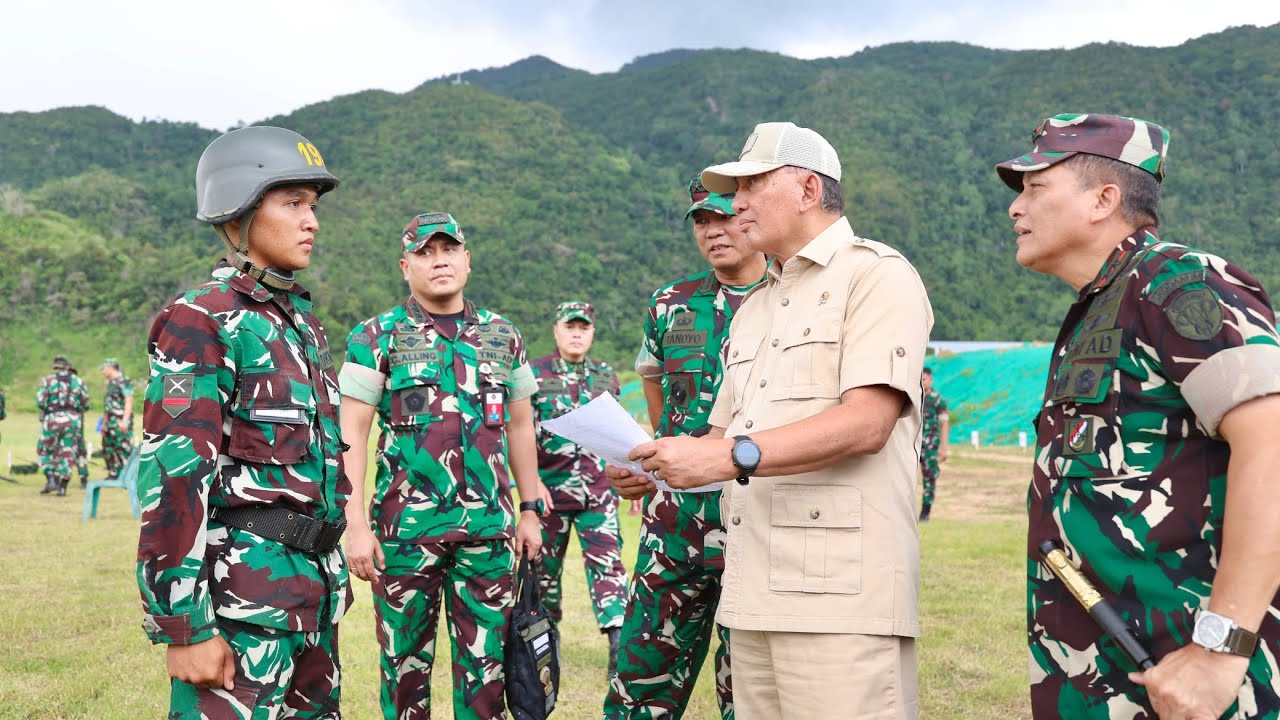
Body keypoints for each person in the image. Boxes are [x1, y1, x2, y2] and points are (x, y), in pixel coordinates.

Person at [609, 122, 932, 719]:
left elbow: (867, 424)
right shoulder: (757, 307)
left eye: (752, 186)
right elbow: (719, 437)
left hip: (838, 595)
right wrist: (658, 466)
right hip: (752, 586)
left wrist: (727, 456)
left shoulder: (876, 276)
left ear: (809, 190)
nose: (736, 206)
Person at [995, 113, 1280, 718]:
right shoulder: (1105, 304)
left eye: (1035, 188)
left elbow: (1274, 443)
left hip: (1193, 677)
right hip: (1114, 673)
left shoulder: (1179, 285)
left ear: (1104, 199)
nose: (1016, 209)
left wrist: (1219, 651)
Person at [135, 126, 351, 718]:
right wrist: (184, 626)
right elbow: (174, 479)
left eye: (313, 205)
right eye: (292, 203)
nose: (312, 221)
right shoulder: (200, 321)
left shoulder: (301, 328)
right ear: (239, 214)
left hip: (311, 607)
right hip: (240, 612)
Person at [338, 211, 547, 720]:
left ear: (467, 260)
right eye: (425, 253)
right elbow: (352, 437)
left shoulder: (503, 336)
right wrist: (355, 526)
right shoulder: (375, 337)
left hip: (489, 534)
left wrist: (530, 509)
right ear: (404, 265)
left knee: (488, 673)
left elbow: (521, 429)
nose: (439, 262)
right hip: (405, 535)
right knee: (403, 669)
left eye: (448, 250)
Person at [603, 175, 767, 719]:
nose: (713, 231)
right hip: (674, 526)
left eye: (723, 217)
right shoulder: (672, 304)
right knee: (639, 682)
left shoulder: (789, 299)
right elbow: (658, 394)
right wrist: (652, 465)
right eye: (701, 220)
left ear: (752, 214)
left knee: (747, 689)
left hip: (759, 517)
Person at [529, 300, 628, 675]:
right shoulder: (534, 375)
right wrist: (531, 482)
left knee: (608, 565)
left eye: (582, 327)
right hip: (549, 492)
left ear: (592, 332)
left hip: (598, 491)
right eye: (569, 326)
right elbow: (518, 433)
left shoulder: (606, 376)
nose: (575, 333)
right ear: (556, 330)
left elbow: (617, 434)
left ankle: (618, 646)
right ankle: (545, 643)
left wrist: (629, 476)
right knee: (543, 571)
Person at [35, 354, 89, 496]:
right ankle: (62, 487)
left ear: (55, 367)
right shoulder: (78, 381)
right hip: (73, 420)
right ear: (67, 366)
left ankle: (51, 478)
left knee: (45, 450)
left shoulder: (47, 380)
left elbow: (40, 402)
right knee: (67, 451)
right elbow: (85, 403)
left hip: (52, 419)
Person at [917, 367, 949, 522]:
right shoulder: (914, 398)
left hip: (930, 446)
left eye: (924, 379)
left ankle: (925, 512)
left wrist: (944, 448)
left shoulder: (938, 400)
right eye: (920, 380)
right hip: (912, 445)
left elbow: (944, 424)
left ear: (930, 380)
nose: (922, 383)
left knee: (929, 478)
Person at [99, 358, 135, 479]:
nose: (102, 371)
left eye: (104, 369)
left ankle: (128, 475)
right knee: (108, 448)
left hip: (120, 421)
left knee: (123, 448)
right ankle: (113, 473)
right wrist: (103, 424)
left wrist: (125, 420)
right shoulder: (110, 384)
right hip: (110, 422)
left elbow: (128, 401)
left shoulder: (123, 381)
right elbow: (107, 406)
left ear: (111, 368)